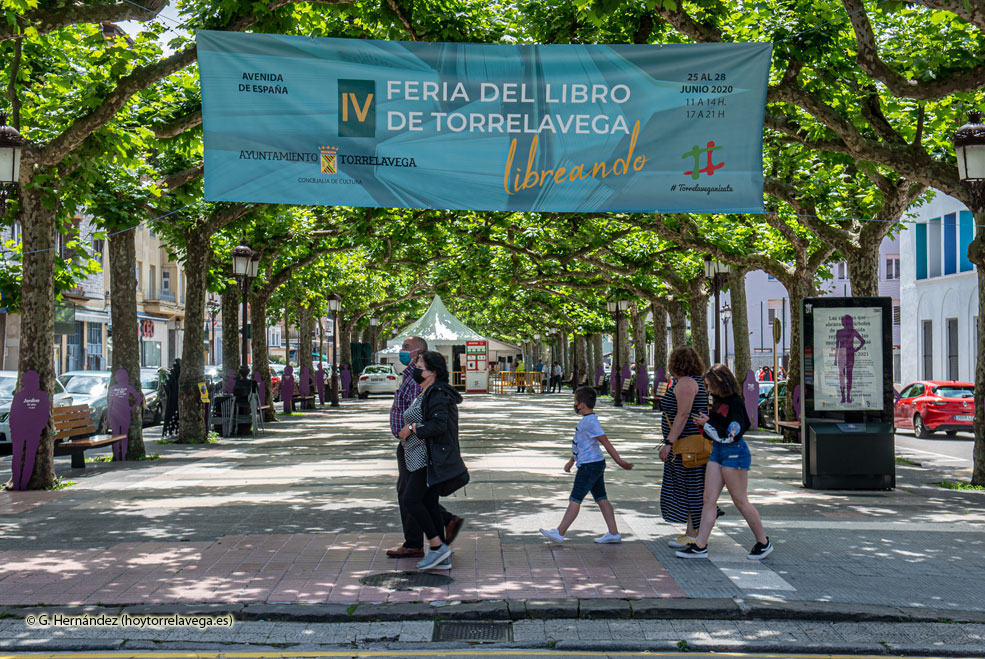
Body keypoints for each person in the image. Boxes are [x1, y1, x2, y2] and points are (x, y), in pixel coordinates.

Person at [677, 364, 773, 560]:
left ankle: (763, 542)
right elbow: (718, 429)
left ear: (719, 382)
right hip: (718, 451)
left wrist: (708, 424)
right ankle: (700, 546)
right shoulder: (718, 400)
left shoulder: (735, 402)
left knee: (739, 500)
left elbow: (731, 434)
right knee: (708, 499)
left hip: (734, 453)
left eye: (709, 384)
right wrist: (706, 423)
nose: (708, 389)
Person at [387, 337, 463, 559]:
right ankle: (439, 547)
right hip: (412, 447)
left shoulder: (431, 389)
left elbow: (433, 422)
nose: (402, 350)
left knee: (411, 497)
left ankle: (427, 545)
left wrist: (410, 429)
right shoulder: (417, 381)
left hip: (420, 450)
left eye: (406, 347)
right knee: (424, 498)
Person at [540, 386, 634, 544]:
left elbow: (606, 442)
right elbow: (582, 445)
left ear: (582, 405)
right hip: (594, 463)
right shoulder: (588, 421)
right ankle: (613, 533)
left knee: (575, 499)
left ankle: (559, 532)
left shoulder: (590, 422)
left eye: (575, 402)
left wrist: (620, 461)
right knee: (601, 498)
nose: (574, 405)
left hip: (589, 467)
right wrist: (571, 461)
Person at [658, 346, 716, 549]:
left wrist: (669, 443)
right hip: (688, 444)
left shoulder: (686, 383)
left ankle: (693, 534)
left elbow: (682, 415)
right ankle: (692, 531)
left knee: (691, 487)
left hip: (687, 446)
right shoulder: (694, 381)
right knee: (692, 486)